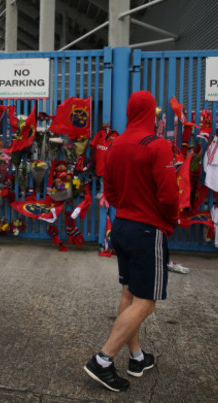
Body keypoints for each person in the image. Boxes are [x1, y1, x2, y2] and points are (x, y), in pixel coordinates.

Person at [83, 90, 178, 392]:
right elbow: (168, 195)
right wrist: (169, 220)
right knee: (146, 301)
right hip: (148, 230)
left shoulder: (114, 145)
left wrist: (128, 206)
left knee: (130, 293)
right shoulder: (158, 145)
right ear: (152, 113)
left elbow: (109, 191)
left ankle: (136, 357)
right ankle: (103, 359)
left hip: (122, 225)